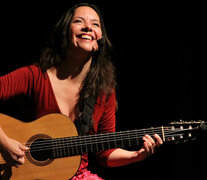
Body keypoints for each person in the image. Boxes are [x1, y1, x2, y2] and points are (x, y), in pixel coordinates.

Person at [0, 3, 163, 180]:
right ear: (65, 31)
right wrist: (3, 142)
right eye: (79, 21)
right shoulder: (34, 76)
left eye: (95, 24)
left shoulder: (104, 90)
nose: (88, 27)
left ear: (100, 39)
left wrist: (136, 156)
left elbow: (104, 153)